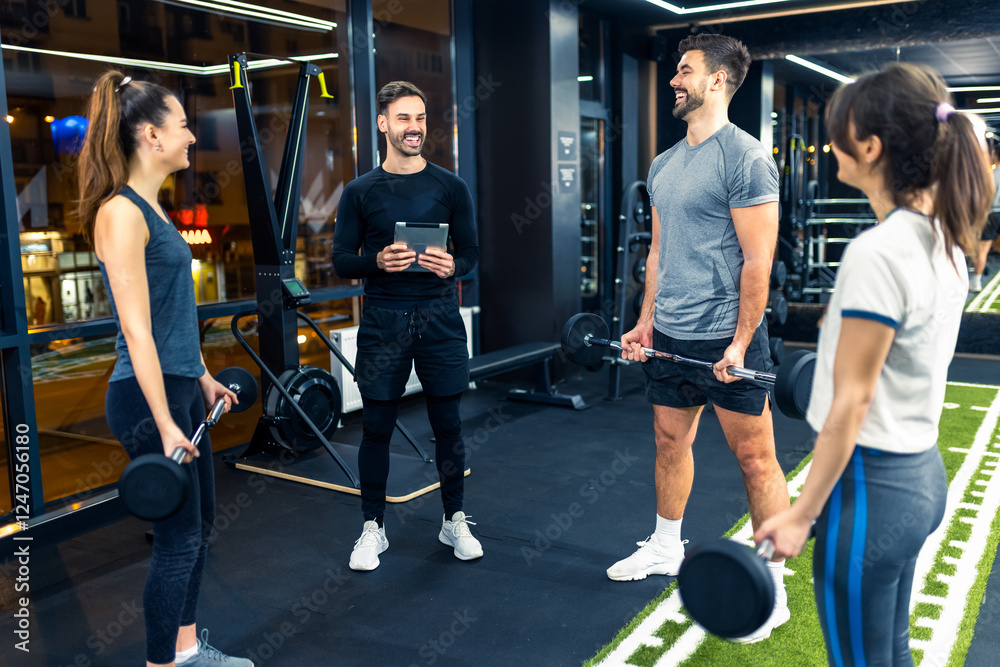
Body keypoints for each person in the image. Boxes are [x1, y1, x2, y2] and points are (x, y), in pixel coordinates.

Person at [756, 62, 993, 665]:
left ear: (870, 145)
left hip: (871, 490)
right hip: (920, 476)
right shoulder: (944, 239)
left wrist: (799, 515)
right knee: (888, 652)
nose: (829, 144)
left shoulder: (878, 252)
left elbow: (854, 401)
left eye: (838, 132)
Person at [610, 33, 790, 643]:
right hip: (672, 335)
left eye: (684, 71)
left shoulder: (745, 158)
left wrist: (740, 343)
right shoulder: (665, 164)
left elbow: (757, 262)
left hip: (726, 341)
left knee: (755, 458)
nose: (673, 81)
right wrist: (644, 321)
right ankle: (665, 546)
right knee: (668, 441)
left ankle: (772, 585)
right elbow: (659, 250)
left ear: (717, 80)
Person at [78, 71, 250, 667]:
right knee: (176, 543)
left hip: (178, 390)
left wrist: (200, 377)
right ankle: (162, 663)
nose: (191, 139)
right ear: (152, 135)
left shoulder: (152, 207)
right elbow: (137, 330)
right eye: (182, 126)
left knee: (196, 535)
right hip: (145, 399)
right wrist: (165, 420)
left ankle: (185, 650)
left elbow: (172, 318)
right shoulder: (121, 213)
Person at [332, 81, 482, 571]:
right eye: (403, 119)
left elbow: (472, 255)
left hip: (439, 316)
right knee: (375, 428)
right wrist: (377, 260)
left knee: (448, 426)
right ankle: (372, 527)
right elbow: (341, 261)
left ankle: (453, 518)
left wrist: (452, 267)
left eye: (419, 118)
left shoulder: (450, 187)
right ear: (383, 124)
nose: (414, 127)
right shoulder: (359, 192)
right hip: (383, 319)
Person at [970, 143, 1000, 292]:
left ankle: (975, 282)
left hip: (993, 214)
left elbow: (984, 199)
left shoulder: (991, 176)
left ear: (995, 156)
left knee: (983, 250)